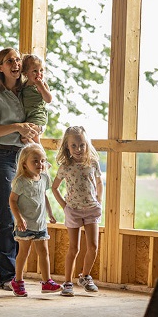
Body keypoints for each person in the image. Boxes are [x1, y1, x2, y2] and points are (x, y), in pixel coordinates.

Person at [0, 48, 40, 290]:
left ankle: (19, 275)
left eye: (17, 60)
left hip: (24, 158)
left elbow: (36, 119)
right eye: (9, 61)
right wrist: (17, 127)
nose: (15, 63)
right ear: (0, 68)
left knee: (26, 215)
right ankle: (7, 275)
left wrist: (33, 131)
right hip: (2, 158)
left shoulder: (27, 92)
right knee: (7, 215)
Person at [52, 126, 103, 297]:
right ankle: (67, 283)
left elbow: (99, 183)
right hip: (73, 211)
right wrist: (64, 206)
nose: (78, 149)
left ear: (86, 144)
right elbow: (54, 188)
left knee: (93, 246)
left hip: (91, 210)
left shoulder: (93, 163)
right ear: (67, 146)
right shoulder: (65, 166)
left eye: (81, 145)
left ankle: (85, 276)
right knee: (73, 248)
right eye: (74, 146)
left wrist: (99, 200)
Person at [8, 143, 62, 297]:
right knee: (24, 252)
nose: (40, 164)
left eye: (42, 160)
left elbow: (43, 196)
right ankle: (17, 281)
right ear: (25, 164)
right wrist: (19, 218)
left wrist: (50, 213)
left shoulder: (44, 177)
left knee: (44, 252)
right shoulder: (21, 182)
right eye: (35, 161)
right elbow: (12, 201)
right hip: (25, 225)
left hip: (40, 223)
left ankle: (47, 282)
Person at [20, 54, 52, 144]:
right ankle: (37, 151)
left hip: (38, 116)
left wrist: (41, 87)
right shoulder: (24, 85)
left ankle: (39, 152)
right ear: (25, 73)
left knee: (26, 137)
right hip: (28, 116)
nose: (39, 74)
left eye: (41, 70)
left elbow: (48, 99)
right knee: (26, 139)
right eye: (34, 71)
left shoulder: (42, 84)